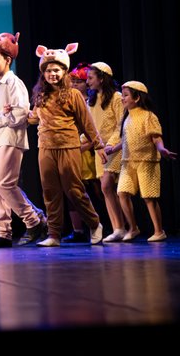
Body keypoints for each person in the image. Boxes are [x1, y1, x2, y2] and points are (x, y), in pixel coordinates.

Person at [26, 44, 106, 247]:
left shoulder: (73, 94)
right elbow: (34, 117)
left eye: (56, 70)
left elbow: (86, 122)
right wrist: (21, 114)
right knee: (50, 191)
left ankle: (94, 224)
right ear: (43, 73)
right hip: (45, 147)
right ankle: (54, 234)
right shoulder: (40, 94)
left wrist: (98, 145)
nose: (52, 74)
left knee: (74, 190)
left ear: (64, 71)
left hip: (68, 146)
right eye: (48, 71)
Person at [0, 32, 47, 248]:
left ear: (8, 60)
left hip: (10, 138)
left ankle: (34, 220)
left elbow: (20, 113)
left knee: (3, 183)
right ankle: (3, 232)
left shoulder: (13, 83)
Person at [105, 81, 177, 242]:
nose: (122, 98)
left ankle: (159, 231)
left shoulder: (148, 116)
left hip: (146, 161)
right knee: (122, 193)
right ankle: (133, 228)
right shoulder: (127, 117)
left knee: (149, 197)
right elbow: (126, 140)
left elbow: (156, 137)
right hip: (128, 162)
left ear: (137, 98)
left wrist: (161, 149)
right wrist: (113, 148)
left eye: (126, 95)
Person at [86, 62, 128, 243]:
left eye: (91, 78)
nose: (87, 82)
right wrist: (80, 143)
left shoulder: (117, 98)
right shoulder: (92, 100)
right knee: (107, 189)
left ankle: (123, 227)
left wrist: (111, 145)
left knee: (108, 186)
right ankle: (119, 228)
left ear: (102, 78)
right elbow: (90, 127)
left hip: (114, 148)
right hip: (100, 150)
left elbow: (121, 124)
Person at [62, 62, 99, 243]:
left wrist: (89, 144)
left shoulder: (92, 102)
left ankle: (103, 225)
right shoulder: (68, 100)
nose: (75, 84)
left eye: (79, 81)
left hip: (89, 150)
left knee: (96, 189)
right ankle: (77, 230)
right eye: (73, 81)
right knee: (72, 191)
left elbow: (94, 126)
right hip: (72, 148)